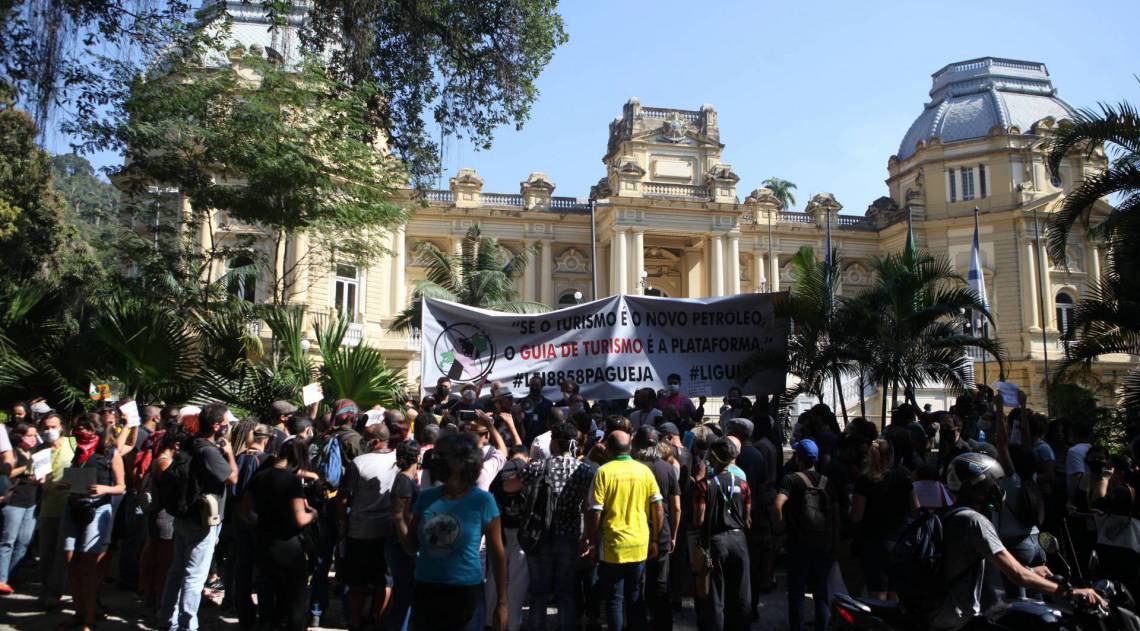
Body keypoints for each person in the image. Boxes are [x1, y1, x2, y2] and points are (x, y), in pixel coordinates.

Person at [930, 452, 1104, 630]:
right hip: (959, 619)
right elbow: (1017, 575)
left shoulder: (947, 514)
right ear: (978, 485)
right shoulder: (975, 521)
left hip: (938, 613)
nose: (997, 487)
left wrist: (1031, 570)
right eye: (993, 482)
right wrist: (1071, 592)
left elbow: (976, 563)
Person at [401, 433, 508, 631]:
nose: (435, 460)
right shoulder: (425, 498)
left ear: (461, 464)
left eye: (441, 456)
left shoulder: (483, 501)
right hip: (426, 591)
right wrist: (399, 518)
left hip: (466, 593)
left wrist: (502, 604)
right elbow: (411, 546)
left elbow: (497, 555)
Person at [159, 404, 238, 631]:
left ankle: (168, 620)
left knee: (177, 571)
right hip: (202, 520)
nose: (228, 426)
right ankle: (188, 625)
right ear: (216, 425)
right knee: (194, 576)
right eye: (225, 422)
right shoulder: (209, 451)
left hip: (184, 515)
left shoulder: (191, 443)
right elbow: (232, 478)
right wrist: (230, 454)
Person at [586, 430, 664, 631]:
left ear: (609, 449)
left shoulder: (603, 472)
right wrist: (655, 539)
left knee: (615, 598)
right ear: (630, 447)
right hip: (639, 543)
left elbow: (595, 512)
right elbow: (658, 507)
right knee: (635, 595)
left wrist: (592, 543)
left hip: (613, 546)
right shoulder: (644, 471)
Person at [521, 421, 594, 631]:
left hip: (539, 535)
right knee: (566, 592)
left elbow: (514, 484)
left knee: (538, 592)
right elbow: (589, 507)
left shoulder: (537, 466)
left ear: (554, 443)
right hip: (570, 536)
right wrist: (588, 537)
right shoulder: (584, 471)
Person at [242, 439, 317, 631]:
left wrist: (261, 522)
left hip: (264, 540)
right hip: (289, 543)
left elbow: (244, 511)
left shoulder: (260, 476)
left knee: (267, 591)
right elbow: (300, 518)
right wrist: (313, 515)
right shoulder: (291, 481)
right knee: (296, 595)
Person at [63, 413, 127, 631]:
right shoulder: (78, 452)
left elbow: (121, 486)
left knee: (89, 565)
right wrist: (67, 483)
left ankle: (89, 618)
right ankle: (78, 612)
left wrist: (104, 489)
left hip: (98, 509)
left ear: (96, 430)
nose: (80, 432)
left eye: (85, 428)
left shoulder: (110, 453)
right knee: (71, 560)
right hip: (73, 506)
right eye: (78, 428)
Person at [340, 423, 399, 630]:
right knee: (385, 579)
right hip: (388, 530)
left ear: (374, 442)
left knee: (357, 582)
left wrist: (343, 522)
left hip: (360, 530)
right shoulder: (399, 460)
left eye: (365, 439)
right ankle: (379, 621)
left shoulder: (359, 462)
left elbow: (343, 497)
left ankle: (356, 623)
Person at [692, 437, 751, 631]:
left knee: (715, 595)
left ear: (714, 458)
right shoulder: (743, 484)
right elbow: (747, 517)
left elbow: (699, 520)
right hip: (739, 540)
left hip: (716, 542)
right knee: (741, 593)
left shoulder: (704, 486)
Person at [775, 439, 834, 631]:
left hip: (798, 542)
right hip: (823, 542)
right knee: (821, 592)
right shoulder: (827, 482)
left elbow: (778, 504)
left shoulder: (791, 479)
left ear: (798, 457)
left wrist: (782, 527)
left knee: (797, 592)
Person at [851, 438, 917, 600]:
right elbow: (916, 510)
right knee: (895, 593)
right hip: (900, 543)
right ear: (891, 456)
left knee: (877, 593)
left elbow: (857, 516)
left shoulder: (864, 481)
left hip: (874, 544)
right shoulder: (904, 477)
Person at [631, 426, 680, 631]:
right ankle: (663, 625)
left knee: (637, 585)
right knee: (660, 584)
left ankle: (638, 624)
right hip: (662, 533)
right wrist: (674, 535)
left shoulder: (632, 467)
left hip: (636, 533)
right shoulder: (667, 468)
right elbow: (676, 507)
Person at [228, 423, 273, 629]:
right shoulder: (268, 460)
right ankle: (264, 615)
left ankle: (243, 614)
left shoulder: (238, 457)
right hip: (258, 517)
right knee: (263, 569)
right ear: (266, 439)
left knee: (242, 565)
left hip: (238, 516)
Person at [139, 426, 185, 612]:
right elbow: (171, 488)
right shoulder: (165, 463)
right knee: (164, 560)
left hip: (160, 513)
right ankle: (158, 598)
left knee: (155, 553)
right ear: (175, 444)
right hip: (164, 515)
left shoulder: (162, 459)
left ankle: (152, 596)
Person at [486, 447, 530, 631]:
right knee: (518, 579)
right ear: (527, 457)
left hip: (499, 528)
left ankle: (489, 620)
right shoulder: (529, 470)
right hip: (522, 530)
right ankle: (512, 623)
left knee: (495, 575)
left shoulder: (499, 471)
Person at [35, 411, 74, 608]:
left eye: (53, 427)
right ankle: (45, 589)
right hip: (48, 507)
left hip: (69, 507)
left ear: (62, 427)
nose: (50, 431)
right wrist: (38, 480)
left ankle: (56, 593)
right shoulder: (40, 451)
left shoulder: (73, 444)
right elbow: (35, 477)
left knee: (62, 553)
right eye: (46, 427)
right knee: (46, 553)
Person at [0, 422, 42, 594]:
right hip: (14, 502)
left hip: (31, 501)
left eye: (34, 435)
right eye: (29, 435)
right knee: (8, 540)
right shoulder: (13, 453)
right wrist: (26, 467)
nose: (33, 439)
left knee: (24, 541)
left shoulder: (35, 452)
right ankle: (2, 578)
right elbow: (6, 472)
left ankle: (14, 573)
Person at [388, 440, 421, 631]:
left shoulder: (406, 480)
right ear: (417, 457)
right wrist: (409, 545)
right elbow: (399, 516)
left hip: (402, 544)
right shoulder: (403, 482)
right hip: (401, 544)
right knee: (403, 597)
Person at [519, 376, 554, 445]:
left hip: (543, 442)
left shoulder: (548, 404)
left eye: (537, 385)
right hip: (526, 442)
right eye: (532, 385)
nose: (534, 388)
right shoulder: (522, 403)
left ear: (542, 387)